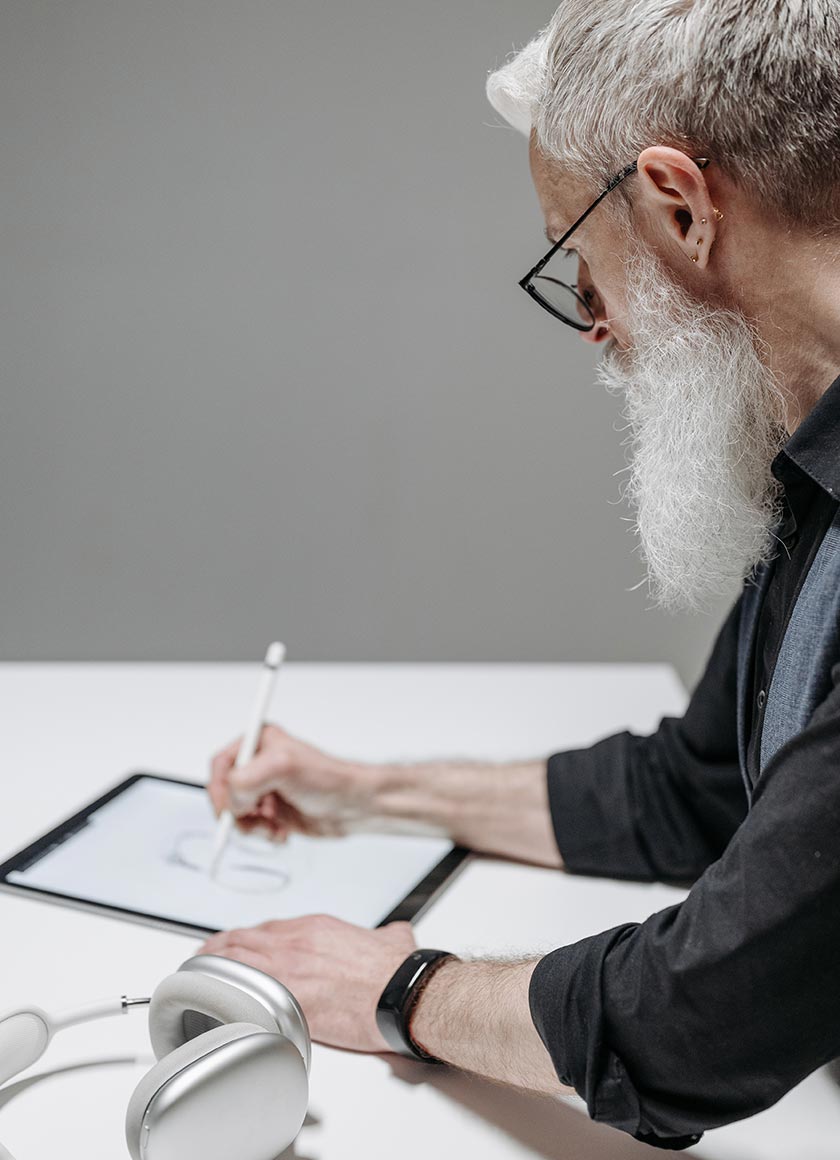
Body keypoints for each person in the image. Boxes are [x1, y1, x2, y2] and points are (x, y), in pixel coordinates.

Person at [200, 1, 840, 1148]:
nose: (596, 328)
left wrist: (400, 990)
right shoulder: (810, 467)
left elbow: (705, 1018)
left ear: (680, 205)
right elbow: (694, 793)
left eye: (580, 265)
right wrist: (365, 790)